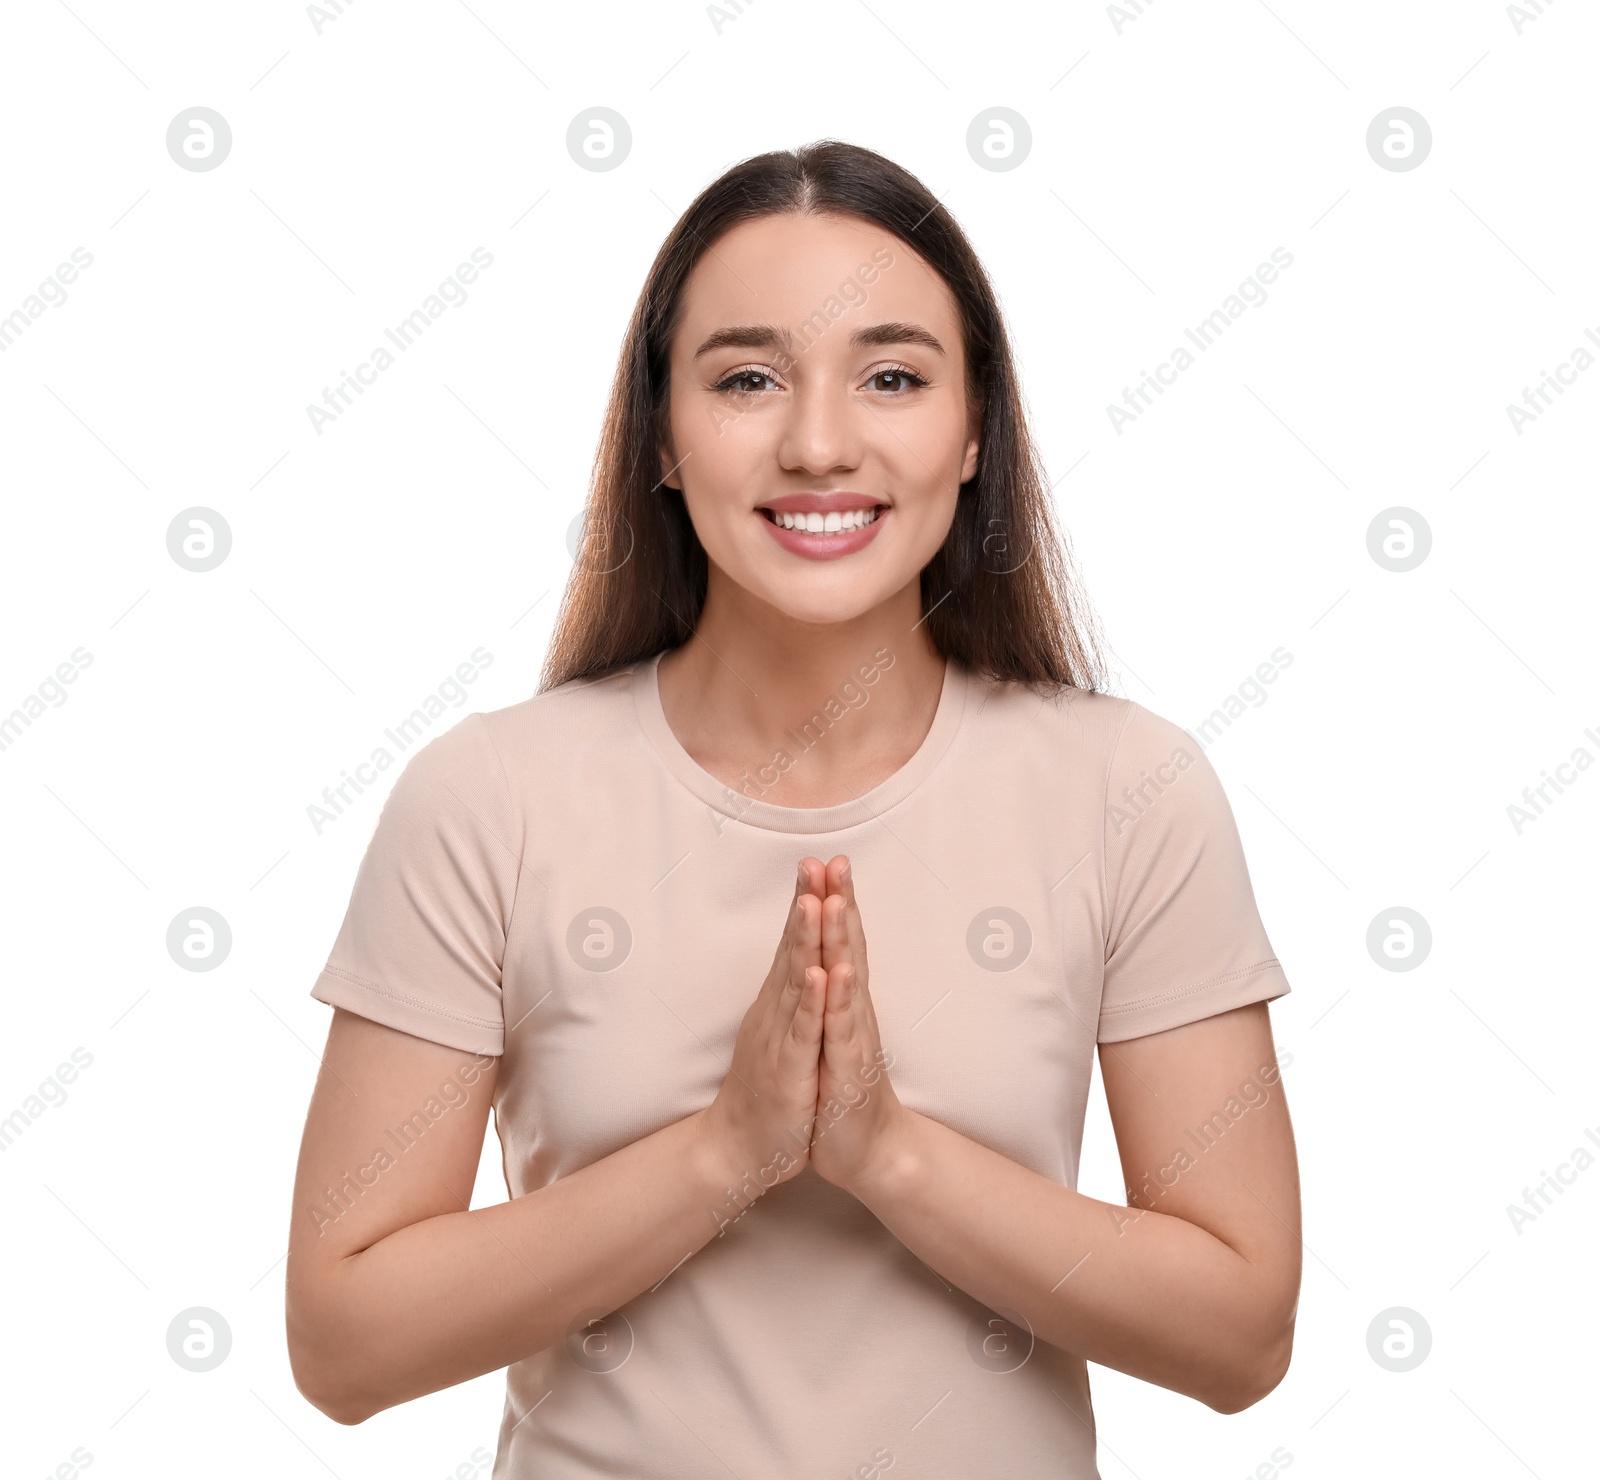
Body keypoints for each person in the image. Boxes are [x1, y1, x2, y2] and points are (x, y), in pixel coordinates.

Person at [285, 139, 1301, 1478]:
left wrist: (885, 1155)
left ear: (975, 427)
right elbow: (345, 1340)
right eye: (749, 378)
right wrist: (725, 1152)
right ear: (662, 430)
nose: (820, 444)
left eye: (892, 377)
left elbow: (1242, 1334)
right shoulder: (489, 798)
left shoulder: (1129, 794)